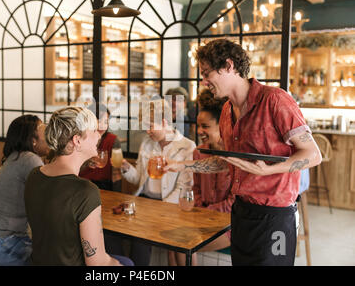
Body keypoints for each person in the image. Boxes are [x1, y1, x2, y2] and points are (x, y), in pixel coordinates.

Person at [165, 39, 322, 266]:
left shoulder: (275, 101)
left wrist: (269, 170)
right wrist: (181, 165)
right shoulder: (228, 110)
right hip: (241, 213)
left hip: (274, 218)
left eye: (207, 73)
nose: (203, 81)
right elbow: (226, 163)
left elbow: (313, 154)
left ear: (229, 66)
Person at [24, 106, 133, 266]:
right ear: (77, 140)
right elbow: (97, 263)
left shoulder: (34, 175)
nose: (98, 135)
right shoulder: (85, 191)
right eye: (94, 130)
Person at [120, 99, 196, 266]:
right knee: (123, 236)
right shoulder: (147, 144)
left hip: (169, 207)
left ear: (164, 122)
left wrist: (159, 209)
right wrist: (125, 168)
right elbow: (138, 179)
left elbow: (184, 187)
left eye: (150, 126)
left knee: (143, 240)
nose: (147, 131)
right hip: (143, 202)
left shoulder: (187, 146)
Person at [0, 115, 50, 266]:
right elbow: (51, 193)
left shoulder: (17, 157)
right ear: (32, 139)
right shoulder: (29, 159)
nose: (48, 135)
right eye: (43, 130)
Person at [193, 89, 233, 255]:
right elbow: (195, 189)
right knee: (173, 245)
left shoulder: (235, 157)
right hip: (202, 218)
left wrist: (207, 211)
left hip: (229, 225)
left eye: (205, 127)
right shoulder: (198, 152)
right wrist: (198, 208)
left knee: (183, 247)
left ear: (222, 125)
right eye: (198, 126)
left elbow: (235, 202)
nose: (199, 131)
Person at [79, 103, 122, 192]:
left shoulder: (113, 140)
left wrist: (117, 196)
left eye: (106, 122)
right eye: (98, 121)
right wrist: (86, 164)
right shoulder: (80, 139)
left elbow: (116, 174)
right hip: (81, 184)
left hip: (104, 187)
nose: (102, 126)